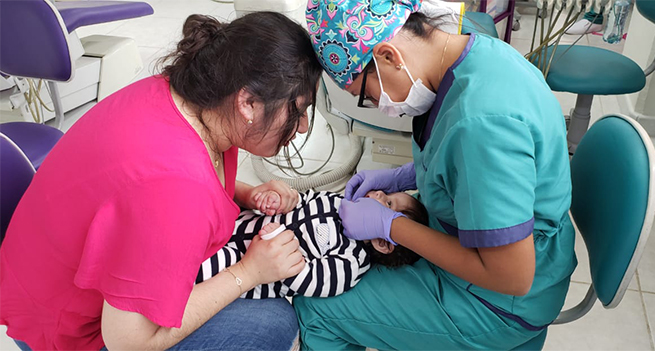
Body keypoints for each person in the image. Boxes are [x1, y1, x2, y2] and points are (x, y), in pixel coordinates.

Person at [0, 13, 322, 351]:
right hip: (68, 332)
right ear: (248, 103)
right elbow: (129, 341)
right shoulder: (178, 189)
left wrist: (246, 193)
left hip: (38, 278)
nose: (301, 126)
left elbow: (160, 179)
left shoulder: (191, 99)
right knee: (274, 322)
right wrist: (248, 273)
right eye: (297, 110)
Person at [294, 0, 577, 350]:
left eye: (367, 94)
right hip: (530, 262)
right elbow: (473, 170)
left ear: (388, 56)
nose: (380, 105)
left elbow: (512, 276)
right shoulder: (479, 54)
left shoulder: (482, 125)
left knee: (317, 305)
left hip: (500, 302)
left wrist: (391, 226)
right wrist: (404, 177)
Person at [196, 189, 428, 299]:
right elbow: (305, 198)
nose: (377, 193)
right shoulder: (340, 202)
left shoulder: (350, 263)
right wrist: (285, 199)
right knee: (203, 216)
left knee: (199, 266)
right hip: (242, 221)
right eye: (387, 192)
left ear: (382, 243)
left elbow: (306, 279)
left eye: (387, 202)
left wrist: (275, 240)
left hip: (241, 263)